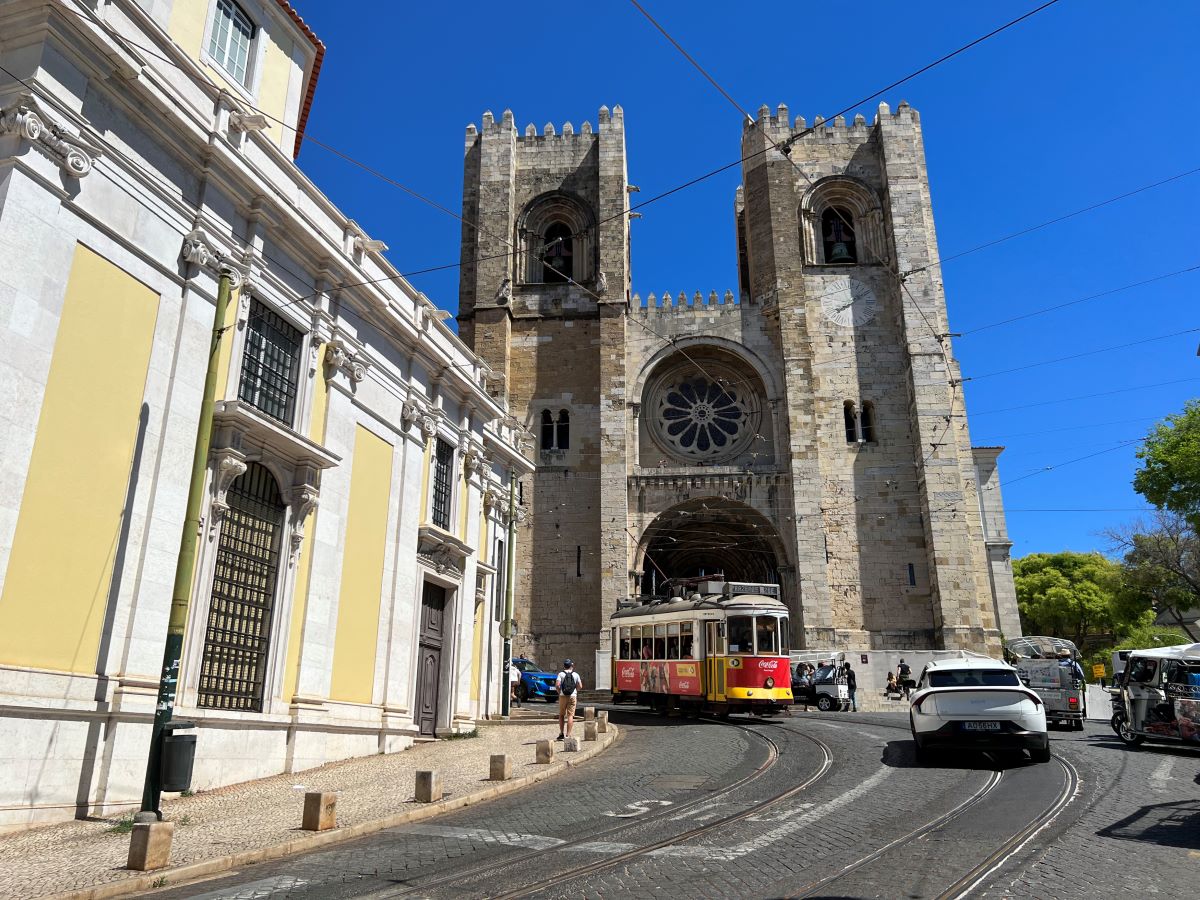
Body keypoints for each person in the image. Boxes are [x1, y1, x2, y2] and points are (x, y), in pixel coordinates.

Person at [555, 659, 582, 741]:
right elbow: (580, 686)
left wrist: (560, 692)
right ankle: (568, 735)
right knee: (570, 715)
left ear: (564, 666)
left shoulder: (560, 674)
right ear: (571, 666)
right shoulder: (576, 674)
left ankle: (561, 733)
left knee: (561, 715)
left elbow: (557, 685)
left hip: (563, 696)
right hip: (572, 696)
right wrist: (575, 691)